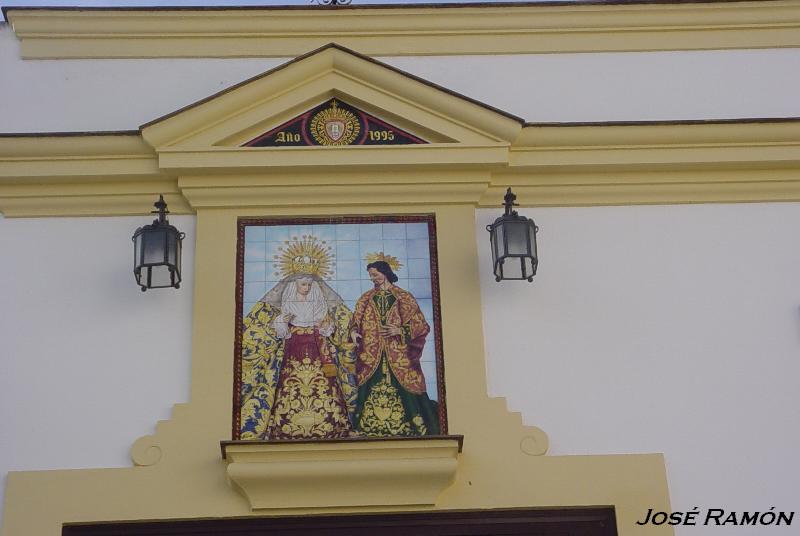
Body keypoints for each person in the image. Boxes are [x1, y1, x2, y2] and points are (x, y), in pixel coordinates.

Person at [239, 274, 357, 440]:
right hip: (292, 348)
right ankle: (284, 427)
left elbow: (327, 327)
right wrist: (282, 322)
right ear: (295, 285)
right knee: (287, 384)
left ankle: (333, 425)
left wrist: (325, 326)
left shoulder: (318, 302)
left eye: (309, 285)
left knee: (327, 385)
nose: (306, 288)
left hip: (318, 349)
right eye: (303, 285)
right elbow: (280, 330)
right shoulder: (289, 301)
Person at [349, 261, 440, 436]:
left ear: (385, 273)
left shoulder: (403, 297)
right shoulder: (366, 298)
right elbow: (355, 320)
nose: (372, 278)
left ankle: (414, 426)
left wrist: (400, 330)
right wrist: (353, 332)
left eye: (375, 274)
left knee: (407, 386)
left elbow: (421, 325)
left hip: (398, 352)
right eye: (370, 276)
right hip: (371, 352)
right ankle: (364, 427)